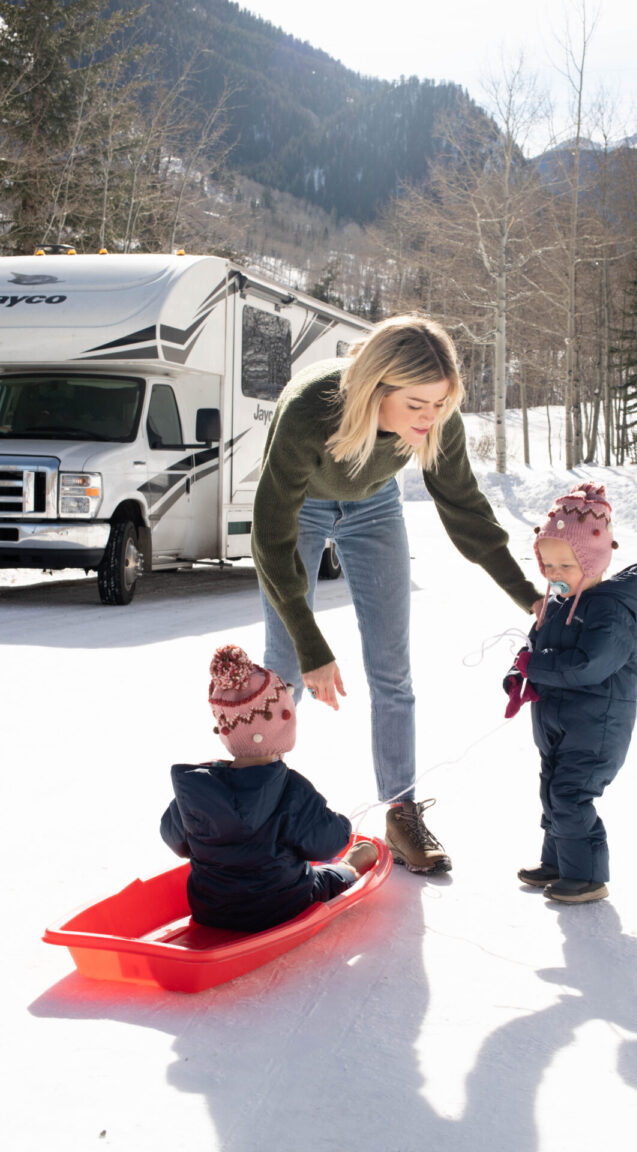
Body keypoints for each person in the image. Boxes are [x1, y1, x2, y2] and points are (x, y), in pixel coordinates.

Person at [251, 314, 542, 874]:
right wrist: (312, 646)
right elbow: (270, 539)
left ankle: (401, 813)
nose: (430, 418)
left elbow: (465, 509)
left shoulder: (437, 418)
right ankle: (256, 813)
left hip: (375, 506)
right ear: (375, 388)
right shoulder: (311, 411)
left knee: (392, 670)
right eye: (416, 406)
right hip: (302, 507)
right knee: (286, 667)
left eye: (440, 404)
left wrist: (525, 594)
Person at [503, 481, 637, 904]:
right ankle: (559, 862)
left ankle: (587, 876)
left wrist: (539, 668)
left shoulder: (612, 611)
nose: (554, 575)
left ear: (592, 561)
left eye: (565, 567)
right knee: (552, 789)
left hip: (597, 725)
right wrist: (519, 674)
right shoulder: (555, 602)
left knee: (571, 794)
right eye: (547, 566)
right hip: (556, 720)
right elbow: (534, 648)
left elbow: (589, 666)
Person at [160, 644, 378, 933]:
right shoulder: (291, 789)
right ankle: (350, 868)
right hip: (283, 907)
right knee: (328, 876)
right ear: (284, 721)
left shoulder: (198, 789)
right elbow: (327, 843)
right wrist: (341, 824)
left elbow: (174, 839)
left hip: (210, 910)